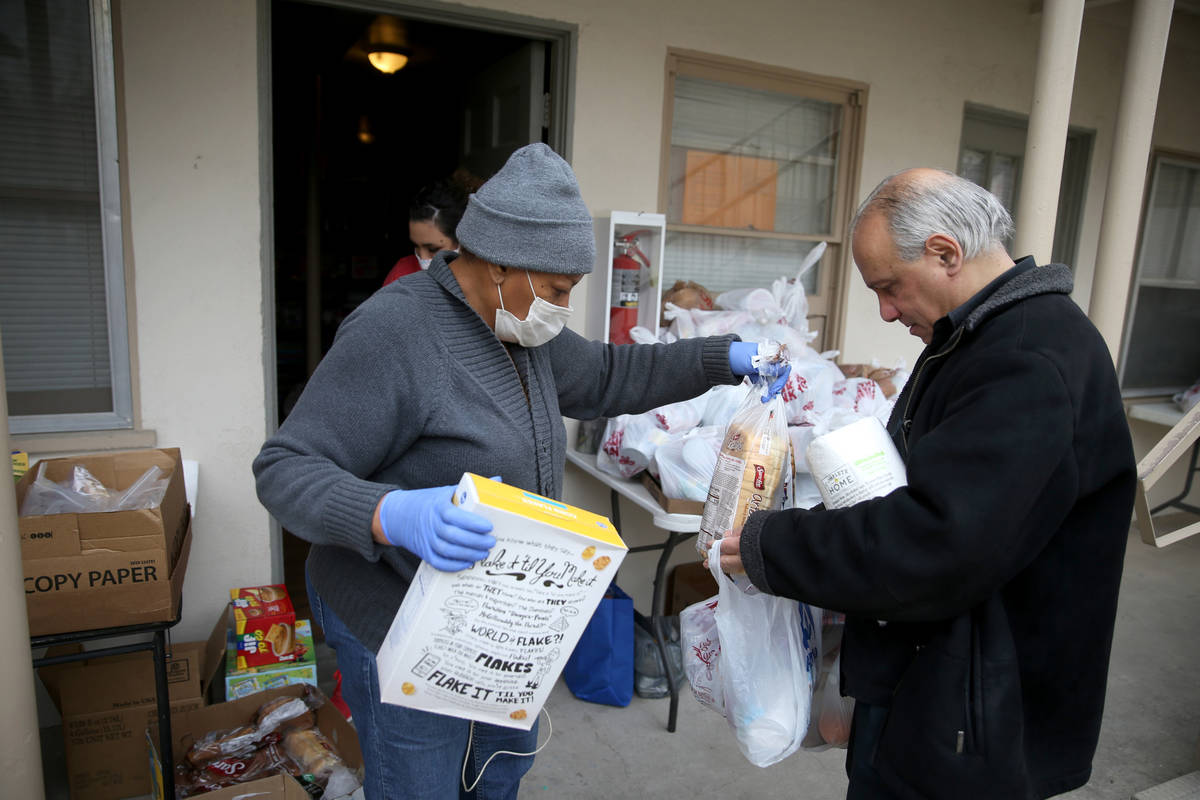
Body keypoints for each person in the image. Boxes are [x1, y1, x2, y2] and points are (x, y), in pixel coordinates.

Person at [254, 143, 782, 799]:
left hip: (497, 615)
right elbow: (283, 468)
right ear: (500, 262)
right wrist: (389, 514)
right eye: (558, 290)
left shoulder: (524, 330)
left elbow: (613, 375)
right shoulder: (395, 331)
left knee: (498, 769)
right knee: (422, 783)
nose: (563, 305)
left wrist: (721, 358)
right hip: (396, 615)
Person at [717, 168, 1136, 799]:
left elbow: (937, 540)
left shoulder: (1026, 360)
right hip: (946, 681)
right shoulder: (976, 337)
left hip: (976, 712)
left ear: (945, 253)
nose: (885, 312)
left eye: (889, 288)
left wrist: (773, 544)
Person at [381, 172, 477, 285]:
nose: (422, 258)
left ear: (463, 242)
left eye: (433, 249)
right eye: (416, 246)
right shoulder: (402, 274)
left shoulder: (484, 280)